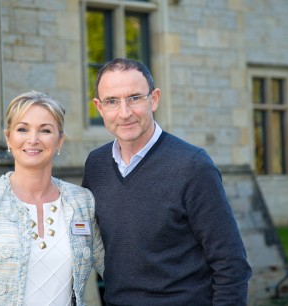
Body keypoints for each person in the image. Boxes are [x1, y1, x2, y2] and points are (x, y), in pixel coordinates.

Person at [82, 58, 252, 305]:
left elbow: (231, 264)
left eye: (134, 98)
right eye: (112, 101)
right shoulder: (96, 165)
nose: (124, 112)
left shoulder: (193, 165)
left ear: (155, 99)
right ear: (99, 107)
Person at [0, 91, 104, 305]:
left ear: (59, 141)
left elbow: (117, 270)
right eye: (22, 129)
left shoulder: (81, 201)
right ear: (9, 137)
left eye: (45, 130)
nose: (33, 139)